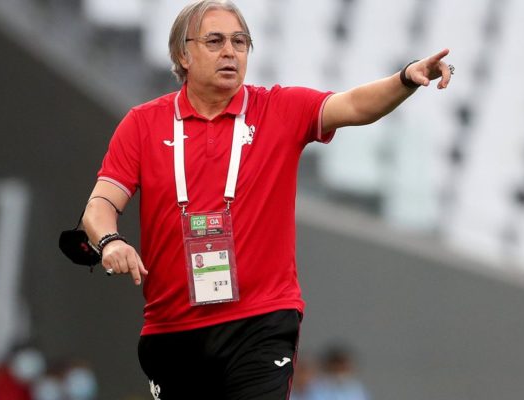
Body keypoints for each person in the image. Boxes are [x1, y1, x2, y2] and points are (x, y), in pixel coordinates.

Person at [81, 1, 453, 398]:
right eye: (215, 41)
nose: (230, 52)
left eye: (240, 42)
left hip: (260, 321)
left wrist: (405, 78)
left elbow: (355, 105)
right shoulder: (143, 123)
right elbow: (100, 206)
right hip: (173, 328)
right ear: (182, 55)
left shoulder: (278, 108)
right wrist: (110, 241)